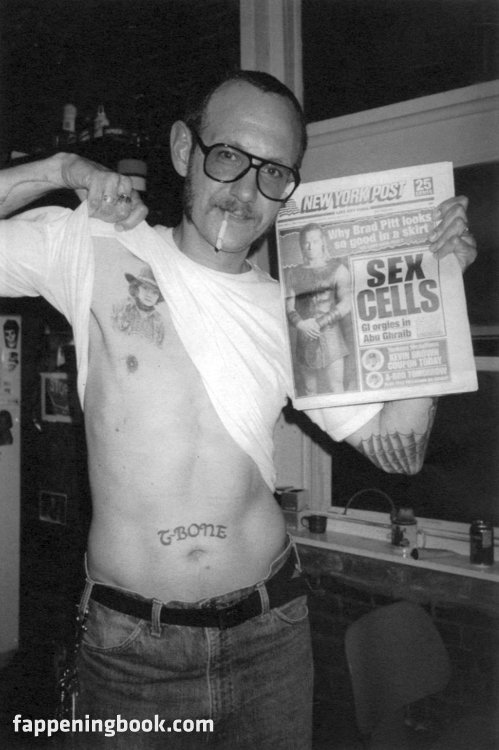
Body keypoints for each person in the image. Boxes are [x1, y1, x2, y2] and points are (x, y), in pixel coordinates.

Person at [0, 70, 476, 749]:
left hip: (269, 637)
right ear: (183, 150)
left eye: (273, 172)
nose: (247, 191)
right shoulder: (95, 247)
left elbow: (398, 449)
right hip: (131, 649)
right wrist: (58, 168)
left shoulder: (297, 314)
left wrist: (439, 294)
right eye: (228, 156)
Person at [285, 222, 351, 395]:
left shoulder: (338, 269)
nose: (310, 246)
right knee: (309, 390)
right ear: (301, 245)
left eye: (314, 241)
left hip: (331, 335)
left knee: (336, 387)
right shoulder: (293, 273)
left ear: (322, 242)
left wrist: (319, 323)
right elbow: (289, 306)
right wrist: (301, 324)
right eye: (306, 242)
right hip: (305, 335)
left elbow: (346, 303)